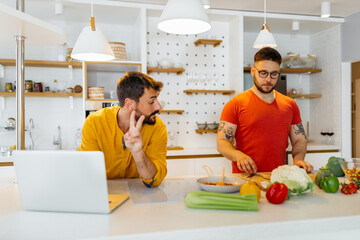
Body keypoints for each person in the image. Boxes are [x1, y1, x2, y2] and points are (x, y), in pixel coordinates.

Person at [217, 47, 313, 173]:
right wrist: (239, 156)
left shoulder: (290, 104)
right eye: (263, 73)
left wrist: (298, 159)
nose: (268, 79)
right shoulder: (235, 104)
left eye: (274, 74)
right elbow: (222, 142)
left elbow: (299, 139)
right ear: (253, 71)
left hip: (278, 178)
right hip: (245, 179)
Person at [81, 71, 167, 187]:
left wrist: (138, 152)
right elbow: (89, 173)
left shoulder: (158, 128)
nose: (158, 107)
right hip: (103, 191)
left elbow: (154, 180)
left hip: (140, 193)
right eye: (151, 101)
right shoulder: (94, 122)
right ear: (130, 104)